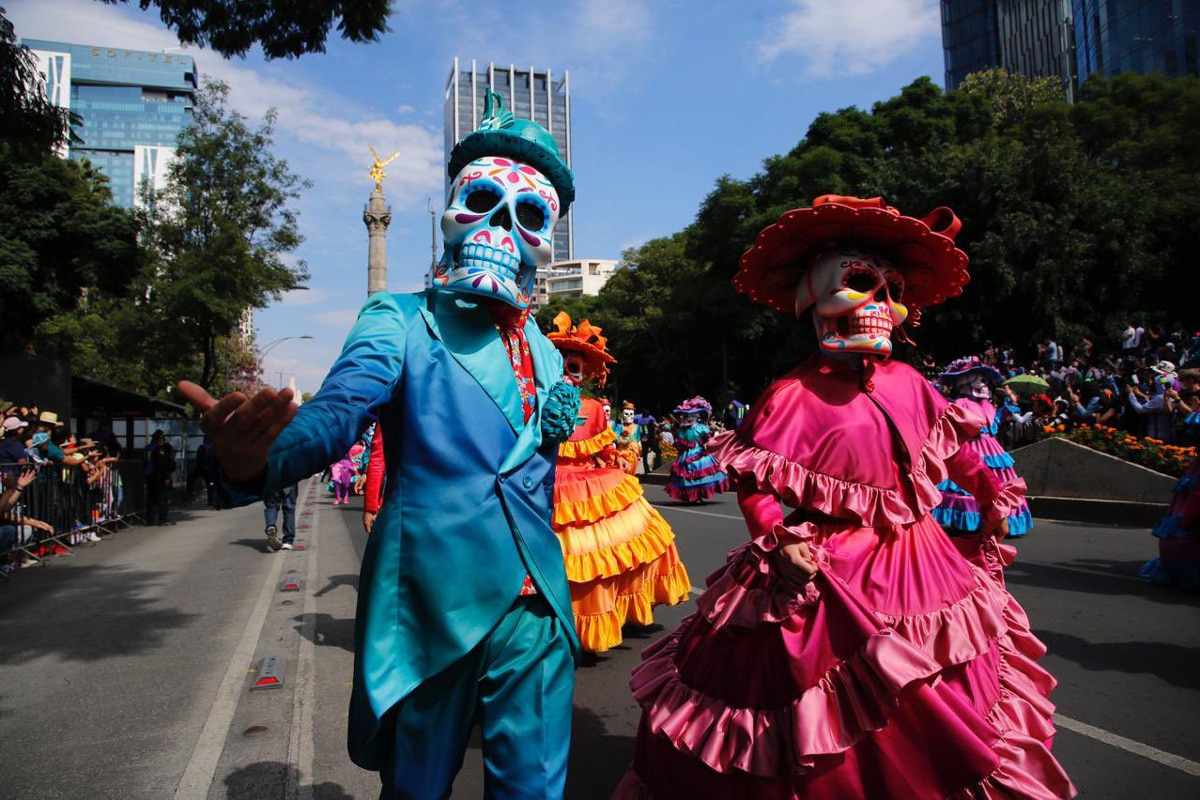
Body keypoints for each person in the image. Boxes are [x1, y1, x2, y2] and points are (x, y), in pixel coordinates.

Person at [179, 89, 583, 799]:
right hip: (436, 602)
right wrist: (261, 459)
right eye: (482, 199)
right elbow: (339, 413)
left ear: (544, 237)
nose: (500, 226)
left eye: (529, 214)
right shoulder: (398, 320)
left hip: (538, 607)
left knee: (535, 785)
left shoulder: (548, 353)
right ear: (452, 209)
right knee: (418, 785)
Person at [616, 195, 1074, 799]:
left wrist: (993, 490)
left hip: (923, 561)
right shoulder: (789, 395)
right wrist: (776, 542)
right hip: (827, 566)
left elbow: (952, 446)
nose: (879, 305)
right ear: (814, 300)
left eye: (892, 290)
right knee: (818, 704)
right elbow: (758, 483)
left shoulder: (912, 382)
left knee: (943, 684)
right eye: (860, 284)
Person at [547, 312, 690, 653]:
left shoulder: (595, 407)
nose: (570, 368)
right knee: (569, 557)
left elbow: (603, 448)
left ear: (585, 369)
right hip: (549, 481)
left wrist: (618, 460)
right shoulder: (539, 401)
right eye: (564, 362)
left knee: (627, 542)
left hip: (591, 484)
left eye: (575, 363)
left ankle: (605, 617)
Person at [931, 357, 1034, 539]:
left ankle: (999, 518)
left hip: (989, 446)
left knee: (993, 480)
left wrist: (1007, 409)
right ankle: (970, 521)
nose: (983, 384)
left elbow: (992, 425)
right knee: (968, 481)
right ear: (965, 381)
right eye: (979, 379)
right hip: (969, 446)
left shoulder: (987, 405)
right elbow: (964, 426)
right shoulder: (961, 404)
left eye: (985, 380)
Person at [665, 396, 728, 503]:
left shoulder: (701, 427)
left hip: (699, 453)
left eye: (689, 415)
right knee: (686, 476)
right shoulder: (680, 430)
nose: (686, 418)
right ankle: (693, 496)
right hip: (684, 455)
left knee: (700, 474)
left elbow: (708, 440)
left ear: (696, 415)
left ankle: (698, 494)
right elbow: (677, 442)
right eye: (684, 415)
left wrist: (708, 443)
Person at [143, 430, 176, 525]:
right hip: (161, 476)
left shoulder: (148, 448)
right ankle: (162, 519)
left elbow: (145, 462)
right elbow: (166, 463)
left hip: (149, 476)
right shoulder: (163, 449)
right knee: (163, 498)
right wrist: (167, 476)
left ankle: (150, 520)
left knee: (151, 498)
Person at [263, 482, 298, 551]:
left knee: (271, 506)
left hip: (271, 479)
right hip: (289, 479)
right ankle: (288, 541)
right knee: (289, 508)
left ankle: (271, 526)